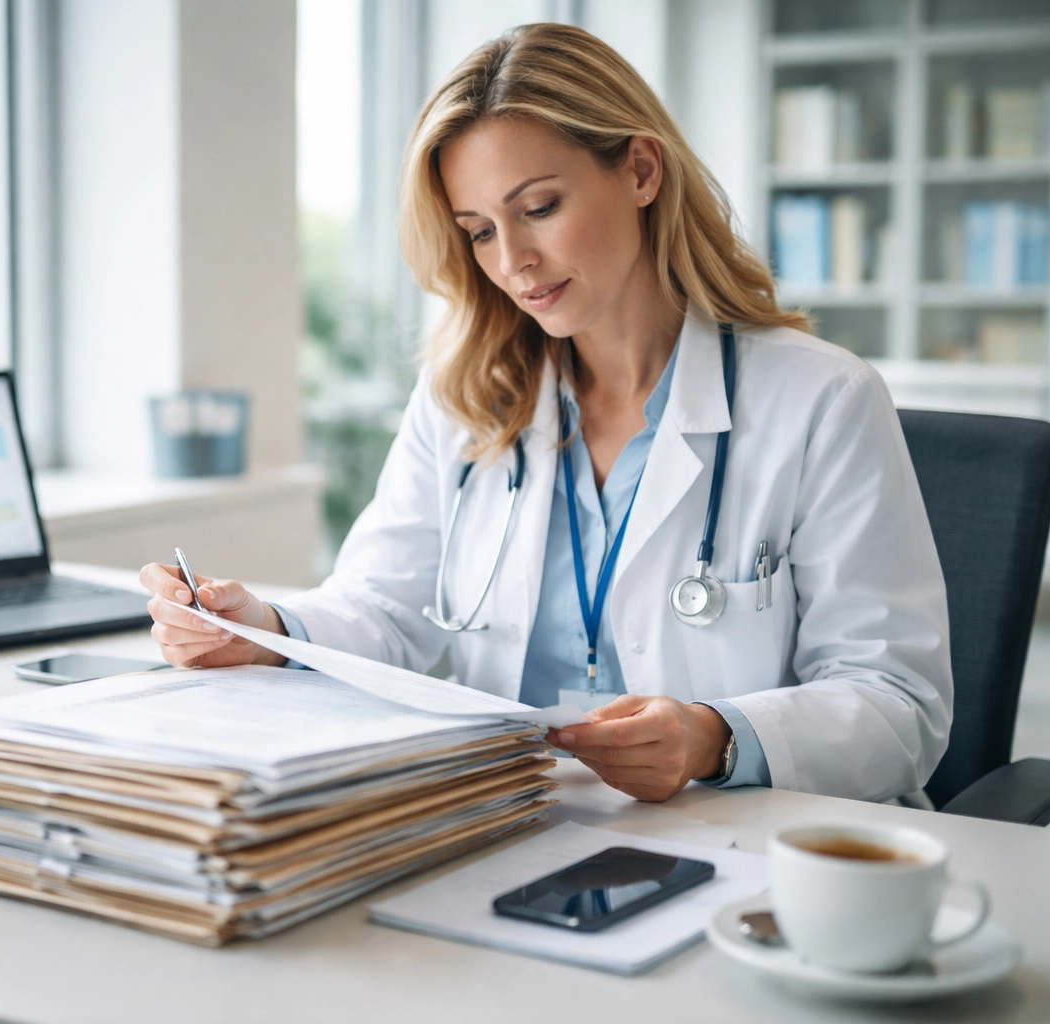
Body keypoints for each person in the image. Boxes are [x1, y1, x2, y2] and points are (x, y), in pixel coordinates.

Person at [140, 23, 951, 805]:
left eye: (539, 207)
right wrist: (265, 628)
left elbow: (898, 704)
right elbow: (386, 607)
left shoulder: (820, 400)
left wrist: (716, 737)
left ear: (639, 170)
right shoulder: (466, 395)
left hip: (741, 840)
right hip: (520, 818)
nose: (512, 261)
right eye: (480, 231)